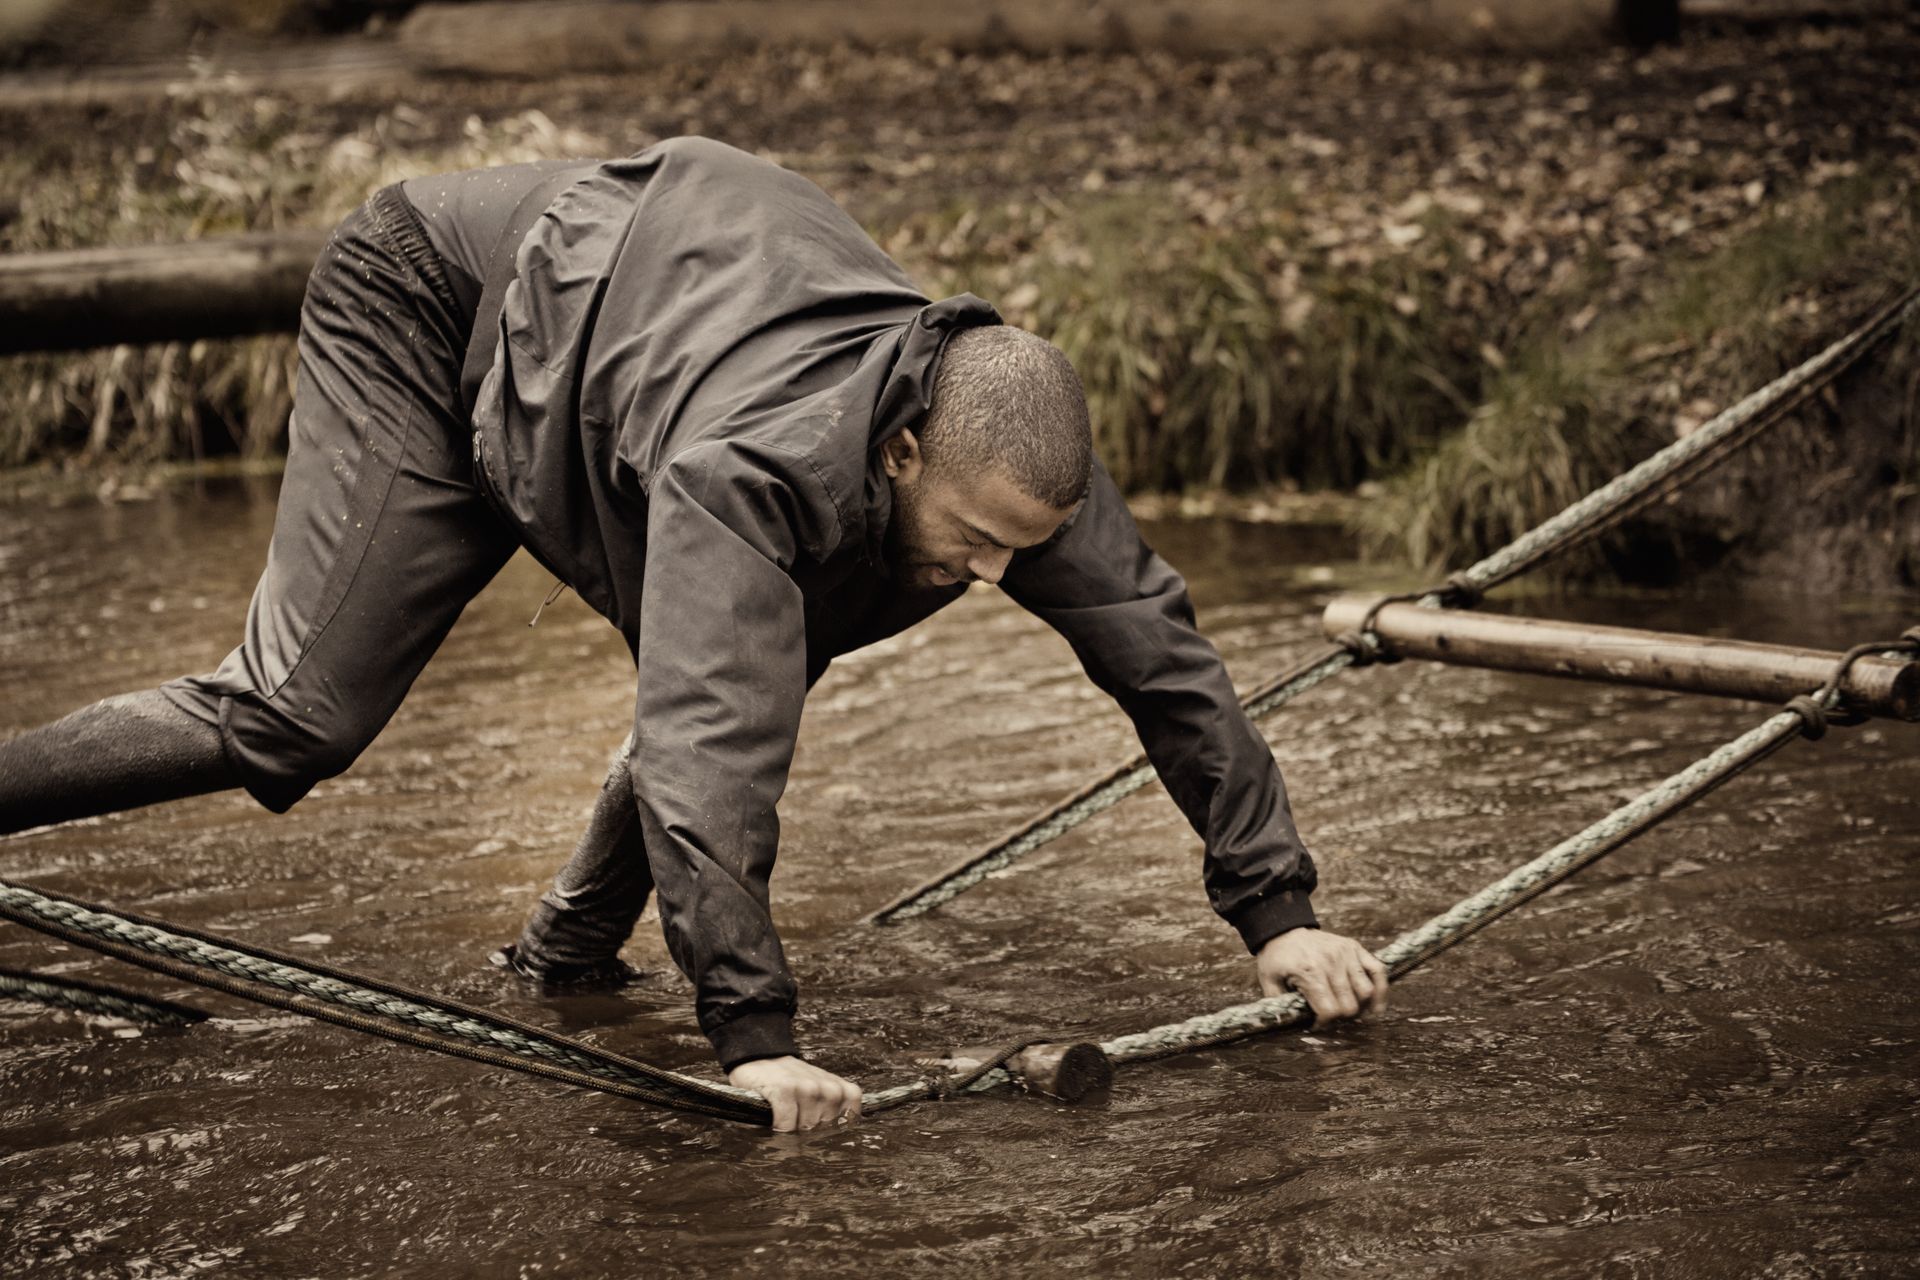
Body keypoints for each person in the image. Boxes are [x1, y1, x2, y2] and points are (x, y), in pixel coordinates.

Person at [0, 137, 1388, 1131]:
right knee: (300, 714)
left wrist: (1280, 914)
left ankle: (562, 958)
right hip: (436, 306)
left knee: (753, 650)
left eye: (1019, 550)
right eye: (978, 539)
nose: (989, 578)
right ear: (902, 449)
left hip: (618, 347)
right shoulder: (758, 475)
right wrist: (756, 1041)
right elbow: (717, 734)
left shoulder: (1010, 449)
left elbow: (1167, 665)